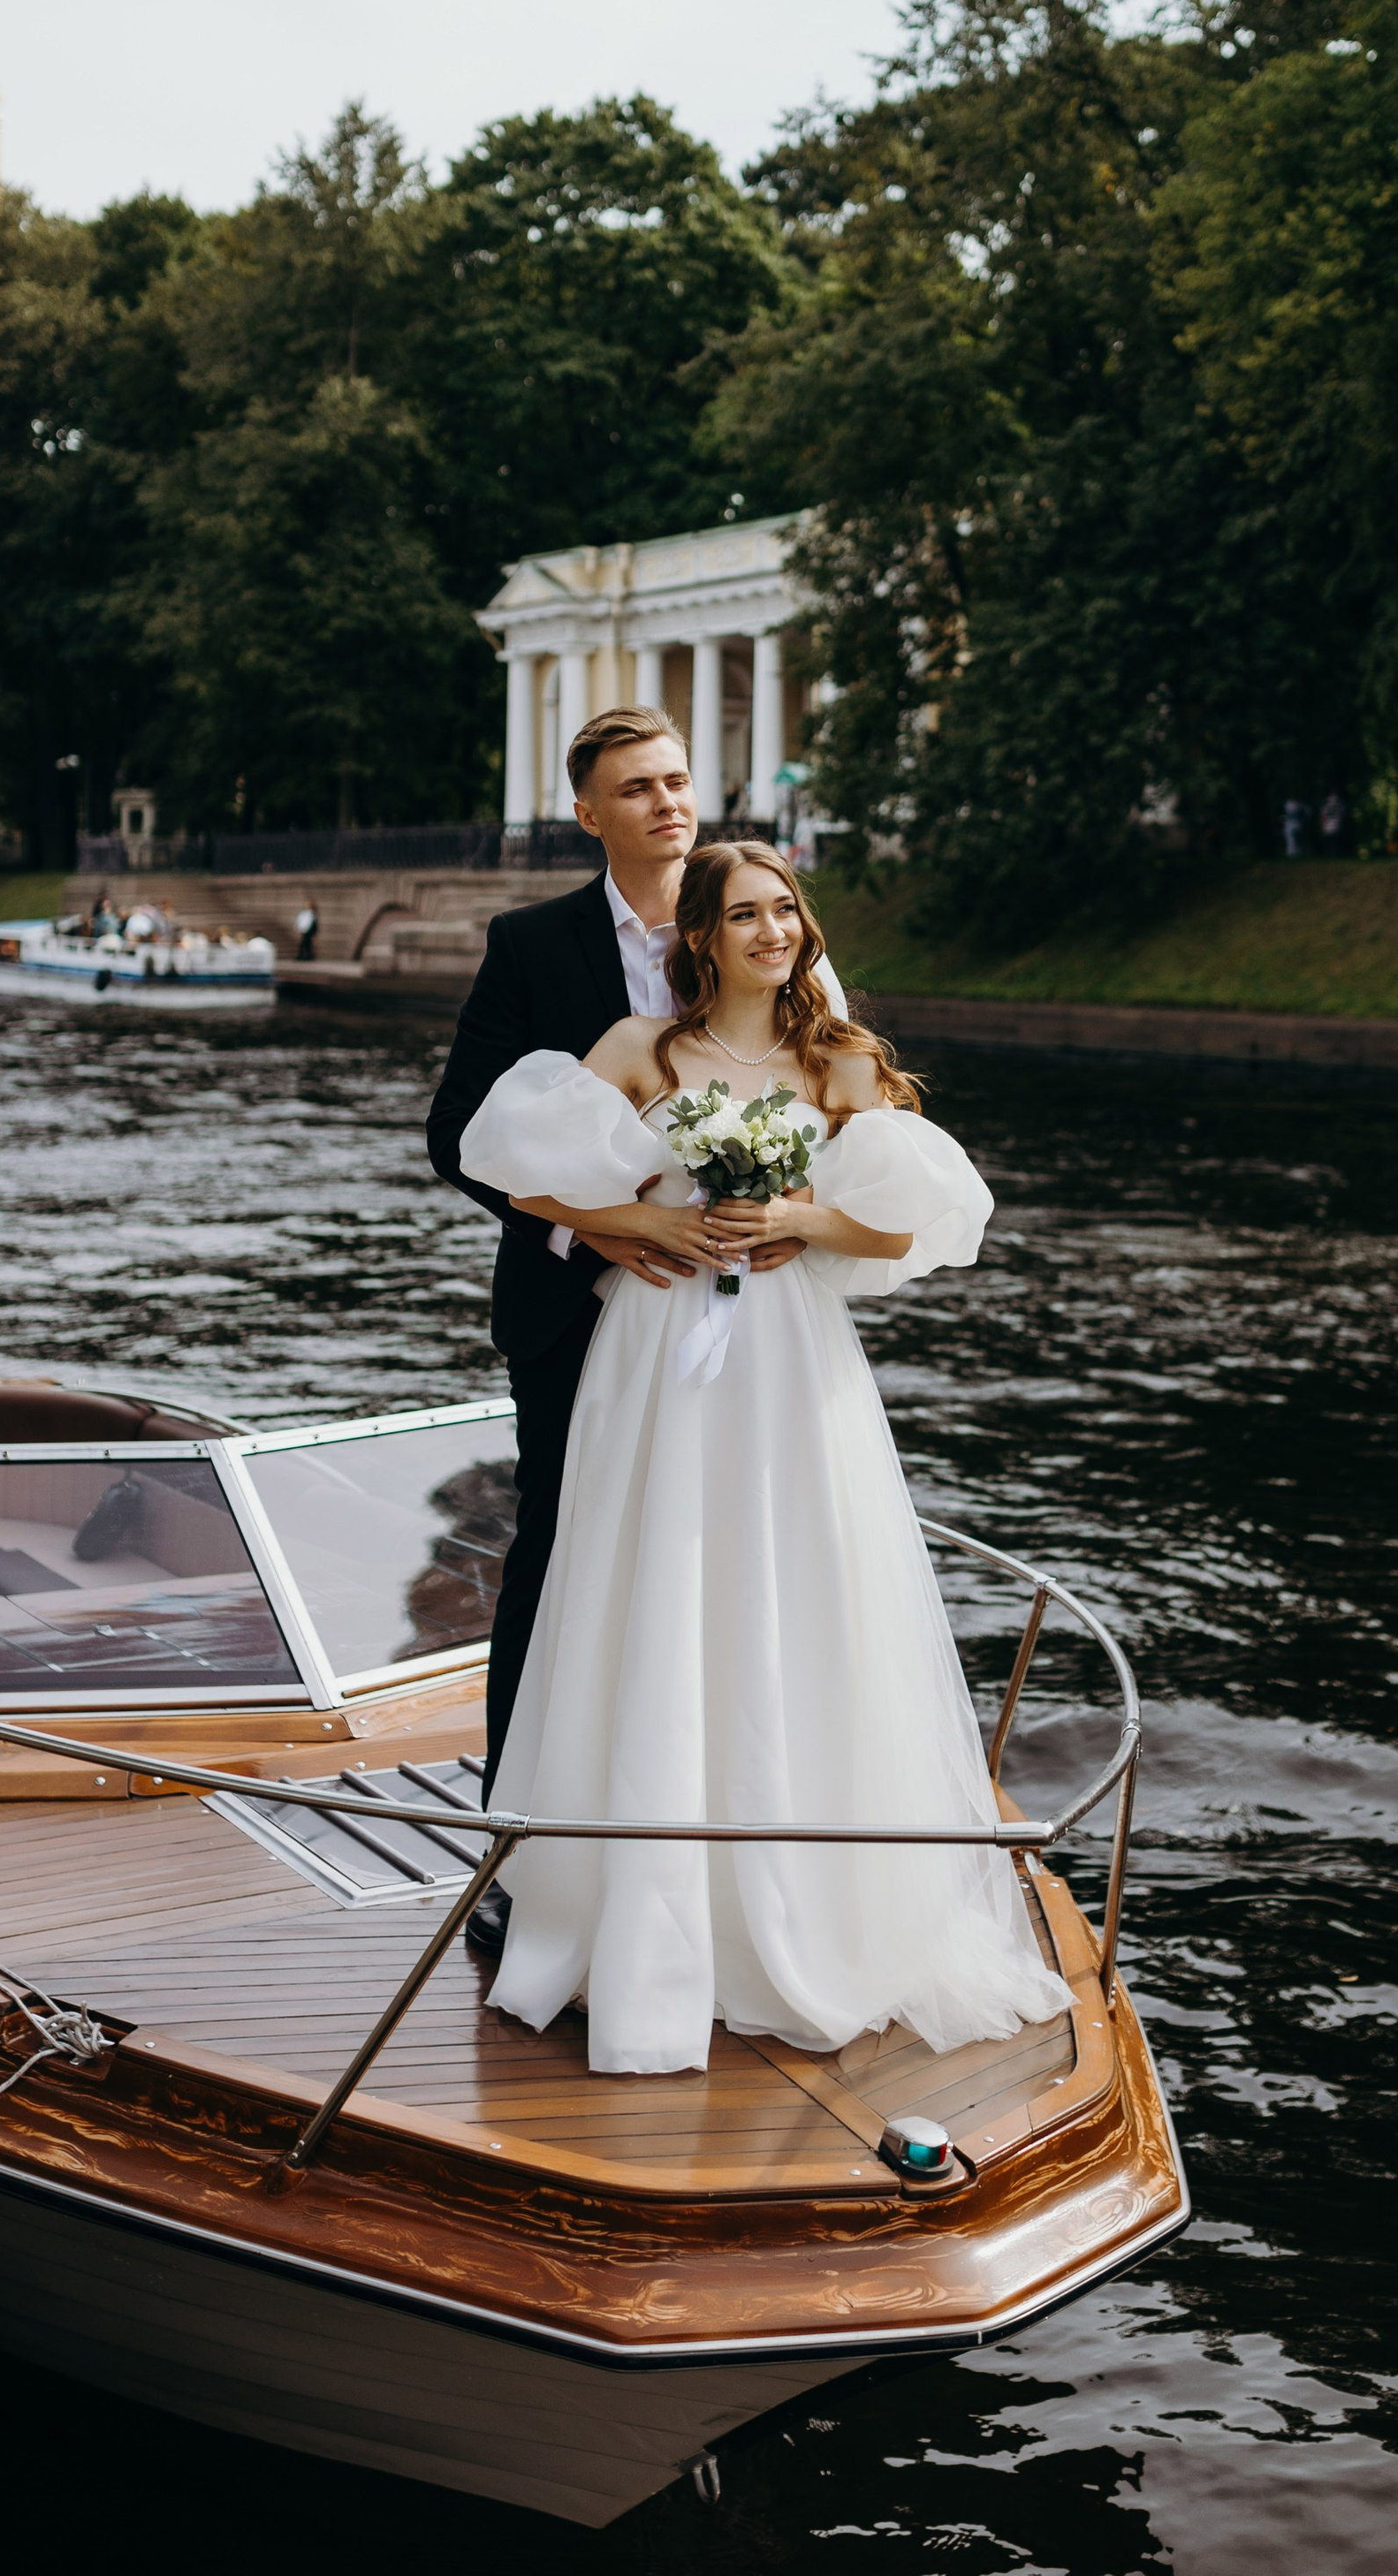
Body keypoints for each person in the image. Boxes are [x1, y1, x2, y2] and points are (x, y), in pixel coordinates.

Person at [453, 839, 1065, 2076]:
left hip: (787, 1359)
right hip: (659, 1344)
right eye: (746, 914)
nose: (774, 932)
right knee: (650, 1586)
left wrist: (796, 1217)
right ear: (701, 937)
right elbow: (522, 1180)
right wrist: (643, 1218)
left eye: (786, 910)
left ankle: (804, 1903)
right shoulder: (641, 1053)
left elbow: (913, 1220)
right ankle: (633, 1909)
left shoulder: (837, 1060)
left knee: (796, 1587)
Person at [427, 708, 847, 1959]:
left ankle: (742, 1828)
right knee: (564, 1561)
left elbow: (849, 1115)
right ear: (589, 812)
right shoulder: (531, 946)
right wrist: (606, 1230)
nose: (669, 803)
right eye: (638, 788)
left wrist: (801, 1222)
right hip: (579, 1310)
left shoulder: (767, 925)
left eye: (677, 781)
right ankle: (524, 1841)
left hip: (757, 1320)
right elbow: (463, 1133)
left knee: (751, 1561)